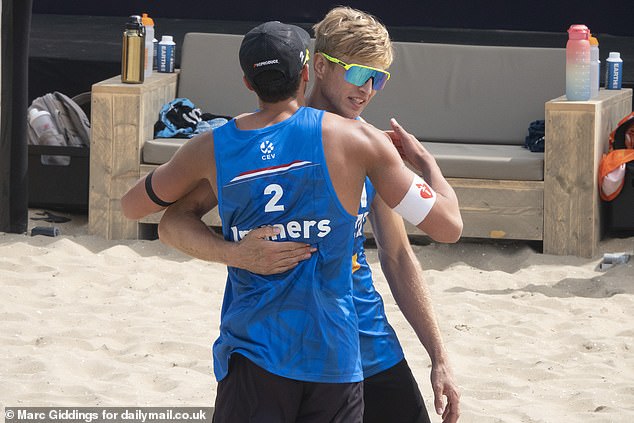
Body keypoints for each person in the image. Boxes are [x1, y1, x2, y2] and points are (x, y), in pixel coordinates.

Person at [122, 20, 462, 422]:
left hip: (365, 344)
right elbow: (173, 220)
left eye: (378, 78)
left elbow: (398, 255)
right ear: (315, 67)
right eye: (358, 73)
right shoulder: (259, 144)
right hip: (277, 352)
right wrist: (235, 254)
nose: (368, 89)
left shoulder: (369, 147)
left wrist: (439, 356)